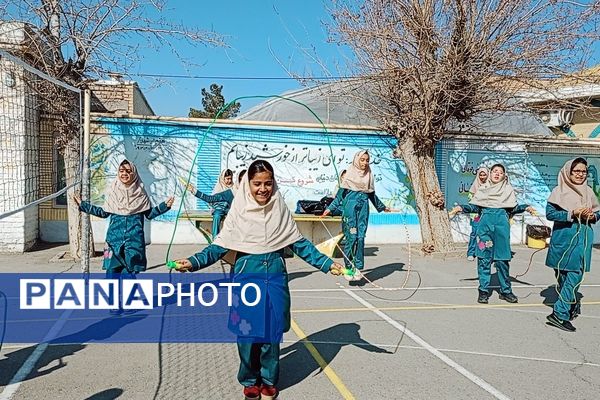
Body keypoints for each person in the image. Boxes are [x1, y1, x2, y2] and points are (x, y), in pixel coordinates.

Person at [173, 159, 344, 400]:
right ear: (247, 185)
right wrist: (194, 262)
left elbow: (300, 245)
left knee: (271, 335)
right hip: (247, 276)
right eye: (257, 184)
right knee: (247, 336)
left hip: (274, 276)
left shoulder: (280, 209)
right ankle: (250, 379)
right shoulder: (238, 213)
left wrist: (328, 264)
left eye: (267, 183)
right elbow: (218, 247)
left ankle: (269, 381)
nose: (263, 189)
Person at [73, 159, 174, 314]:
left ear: (133, 173)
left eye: (128, 171)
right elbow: (103, 212)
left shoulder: (141, 192)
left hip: (134, 241)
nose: (125, 174)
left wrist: (164, 206)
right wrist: (83, 205)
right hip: (114, 240)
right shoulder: (112, 191)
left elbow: (149, 214)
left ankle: (128, 302)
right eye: (122, 171)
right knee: (112, 273)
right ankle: (113, 304)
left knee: (129, 273)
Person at [451, 164, 535, 304]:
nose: (497, 174)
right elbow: (474, 207)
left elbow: (513, 208)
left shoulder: (508, 191)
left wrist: (526, 207)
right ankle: (483, 291)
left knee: (502, 262)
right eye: (494, 171)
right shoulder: (483, 190)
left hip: (502, 231)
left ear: (504, 176)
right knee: (484, 260)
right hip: (485, 231)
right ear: (490, 174)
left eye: (500, 172)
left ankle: (505, 291)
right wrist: (461, 208)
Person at [545, 158, 600, 332]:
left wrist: (592, 216)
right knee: (562, 275)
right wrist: (572, 213)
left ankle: (559, 314)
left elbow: (598, 212)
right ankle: (570, 303)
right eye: (576, 171)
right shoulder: (558, 191)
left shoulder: (589, 192)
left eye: (584, 171)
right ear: (568, 172)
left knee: (575, 275)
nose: (580, 174)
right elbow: (550, 213)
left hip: (582, 238)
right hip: (563, 239)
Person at [323, 151, 390, 277]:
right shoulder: (349, 176)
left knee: (360, 239)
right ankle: (349, 267)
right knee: (351, 239)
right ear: (356, 160)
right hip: (350, 214)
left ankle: (358, 267)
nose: (365, 163)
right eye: (362, 160)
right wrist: (329, 209)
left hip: (363, 213)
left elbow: (372, 196)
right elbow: (338, 197)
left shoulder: (369, 176)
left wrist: (383, 207)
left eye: (367, 160)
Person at [188, 169, 234, 238]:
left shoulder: (233, 188)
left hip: (230, 209)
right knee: (217, 215)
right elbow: (211, 200)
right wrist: (194, 191)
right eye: (227, 179)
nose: (229, 181)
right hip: (219, 210)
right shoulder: (218, 187)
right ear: (222, 178)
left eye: (231, 179)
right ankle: (215, 239)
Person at [467, 167, 489, 261]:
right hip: (476, 215)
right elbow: (470, 200)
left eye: (484, 174)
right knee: (474, 233)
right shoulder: (474, 187)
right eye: (481, 174)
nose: (482, 177)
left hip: (486, 214)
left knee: (485, 234)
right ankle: (471, 253)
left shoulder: (491, 187)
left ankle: (482, 251)